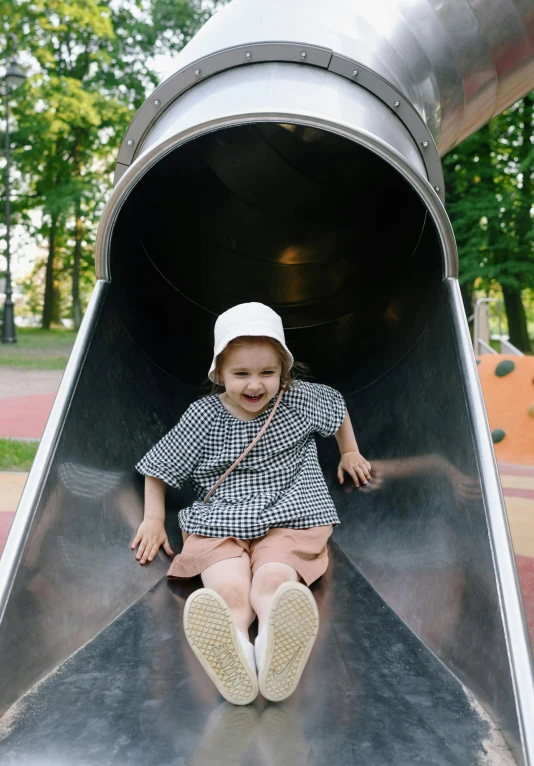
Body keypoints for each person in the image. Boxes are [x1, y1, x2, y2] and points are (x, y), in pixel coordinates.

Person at [131, 302, 371, 705]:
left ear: (284, 372)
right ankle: (237, 650)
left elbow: (336, 405)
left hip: (290, 513)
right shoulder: (203, 417)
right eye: (240, 374)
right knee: (227, 591)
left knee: (274, 581)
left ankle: (274, 644)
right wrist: (154, 518)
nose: (254, 384)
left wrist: (350, 451)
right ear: (218, 373)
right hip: (221, 518)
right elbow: (160, 464)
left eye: (267, 373)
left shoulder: (300, 400)